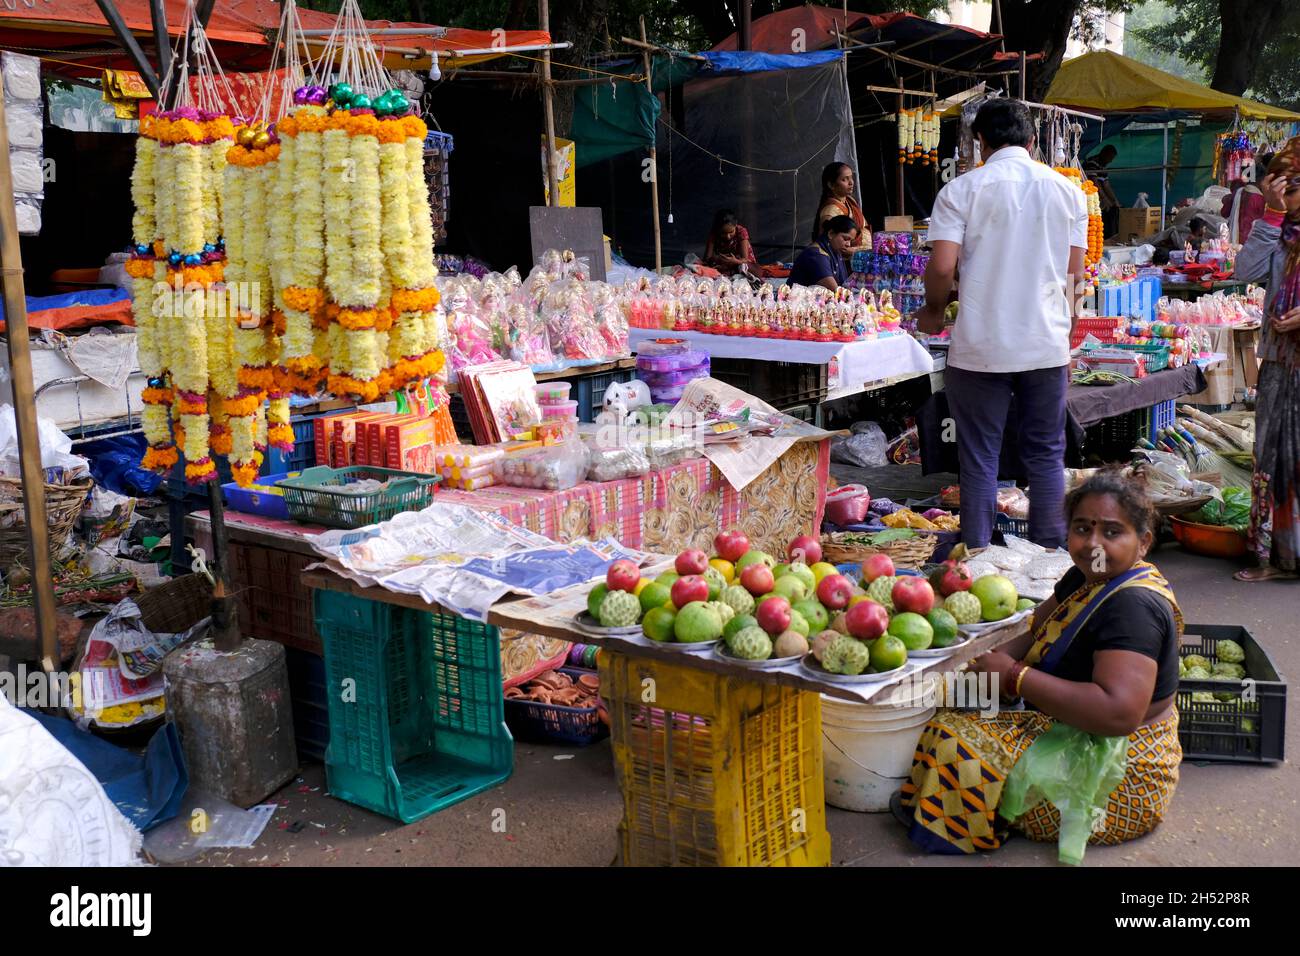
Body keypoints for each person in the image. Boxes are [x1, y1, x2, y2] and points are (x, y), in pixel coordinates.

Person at [895, 471, 1183, 856]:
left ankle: (982, 818)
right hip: (1077, 726)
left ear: (1143, 542)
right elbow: (1035, 628)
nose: (1093, 544)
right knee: (949, 701)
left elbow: (1119, 713)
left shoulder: (1133, 608)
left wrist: (1014, 678)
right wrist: (978, 672)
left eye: (1112, 533)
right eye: (1083, 528)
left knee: (958, 743)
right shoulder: (1086, 576)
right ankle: (953, 802)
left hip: (1119, 771)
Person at [916, 98, 1088, 549]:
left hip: (980, 347)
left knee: (979, 458)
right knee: (1046, 453)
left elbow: (941, 268)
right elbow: (1076, 276)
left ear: (980, 142)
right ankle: (1050, 555)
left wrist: (933, 311)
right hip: (1044, 344)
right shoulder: (1068, 192)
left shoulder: (960, 191)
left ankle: (976, 553)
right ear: (1032, 141)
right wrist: (1066, 326)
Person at [1231, 140, 1300, 582]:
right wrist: (1270, 216)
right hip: (1278, 361)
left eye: (1292, 187)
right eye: (1278, 186)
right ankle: (1281, 558)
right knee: (1273, 456)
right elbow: (1244, 271)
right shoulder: (1278, 233)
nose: (1285, 194)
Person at [787, 215, 858, 290]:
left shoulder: (835, 251)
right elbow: (836, 291)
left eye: (850, 241)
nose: (848, 244)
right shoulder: (816, 255)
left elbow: (844, 285)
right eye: (846, 239)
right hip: (797, 300)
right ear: (831, 234)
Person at [814, 161, 870, 251]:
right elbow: (831, 243)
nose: (851, 182)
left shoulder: (850, 200)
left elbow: (864, 226)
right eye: (844, 179)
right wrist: (855, 251)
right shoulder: (831, 209)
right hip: (846, 259)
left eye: (851, 177)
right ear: (831, 185)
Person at [1221, 154, 1271, 245]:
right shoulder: (1261, 200)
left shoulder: (1238, 192)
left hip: (1233, 241)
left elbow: (1224, 212)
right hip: (1251, 244)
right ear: (1260, 181)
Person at [703, 209, 757, 277]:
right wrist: (718, 259)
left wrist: (735, 261)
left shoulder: (741, 232)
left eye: (731, 232)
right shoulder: (714, 234)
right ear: (718, 229)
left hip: (740, 263)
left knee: (745, 269)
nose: (728, 237)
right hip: (723, 264)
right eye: (723, 233)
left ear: (736, 225)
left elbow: (745, 259)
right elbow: (707, 259)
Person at [1084, 144, 1121, 238]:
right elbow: (1094, 183)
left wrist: (1115, 201)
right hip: (1089, 194)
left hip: (1098, 194)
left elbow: (1106, 184)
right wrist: (1104, 199)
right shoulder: (1092, 162)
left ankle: (1111, 236)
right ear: (1105, 154)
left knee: (1114, 208)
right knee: (1102, 213)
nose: (1111, 160)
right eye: (1110, 157)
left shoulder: (1103, 166)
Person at [1145, 216, 1211, 265]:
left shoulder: (1198, 237)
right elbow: (1184, 248)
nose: (1206, 230)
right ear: (1199, 229)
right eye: (1204, 228)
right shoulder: (1191, 238)